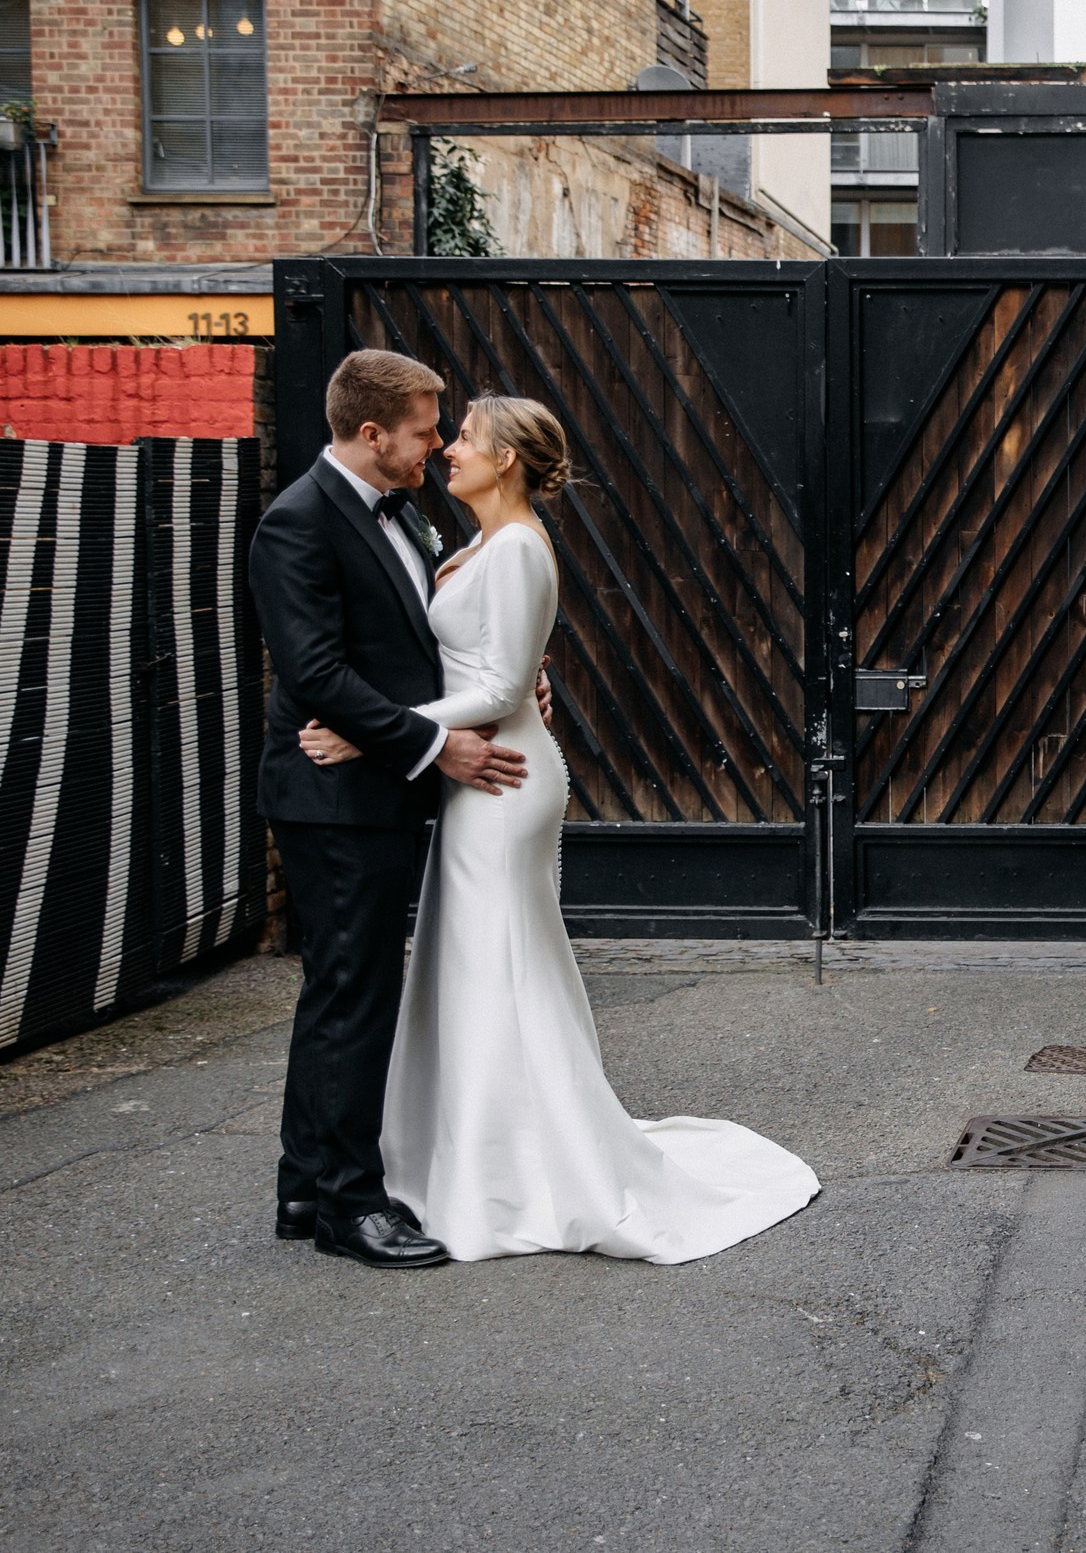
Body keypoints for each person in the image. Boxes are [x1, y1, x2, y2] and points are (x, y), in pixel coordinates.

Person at [299, 395, 818, 1263]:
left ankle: (517, 1171)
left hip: (505, 781)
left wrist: (371, 728)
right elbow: (496, 666)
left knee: (500, 962)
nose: (447, 449)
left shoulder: (516, 549)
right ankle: (474, 1153)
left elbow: (501, 692)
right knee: (478, 964)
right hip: (480, 773)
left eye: (463, 437)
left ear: (505, 458)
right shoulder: (476, 543)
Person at [249, 350, 530, 1269]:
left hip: (370, 782)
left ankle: (304, 1183)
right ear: (371, 434)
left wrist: (512, 690)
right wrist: (426, 742)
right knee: (354, 998)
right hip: (334, 799)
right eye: (423, 430)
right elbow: (316, 671)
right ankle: (350, 1207)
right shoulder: (296, 523)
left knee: (339, 989)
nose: (439, 443)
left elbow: (423, 645)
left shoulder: (403, 510)